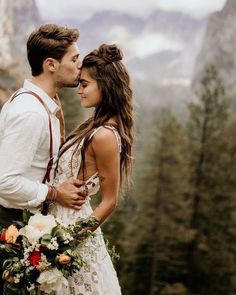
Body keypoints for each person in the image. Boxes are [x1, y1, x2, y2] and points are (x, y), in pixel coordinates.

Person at [0, 24, 87, 292]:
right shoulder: (31, 113)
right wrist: (55, 194)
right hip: (10, 226)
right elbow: (5, 182)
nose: (79, 65)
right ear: (51, 64)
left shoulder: (41, 105)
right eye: (74, 59)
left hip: (25, 222)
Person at [47, 44, 134, 295]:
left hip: (72, 232)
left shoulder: (105, 135)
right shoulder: (95, 125)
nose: (79, 91)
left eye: (84, 84)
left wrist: (68, 241)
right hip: (56, 224)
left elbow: (110, 201)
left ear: (105, 85)